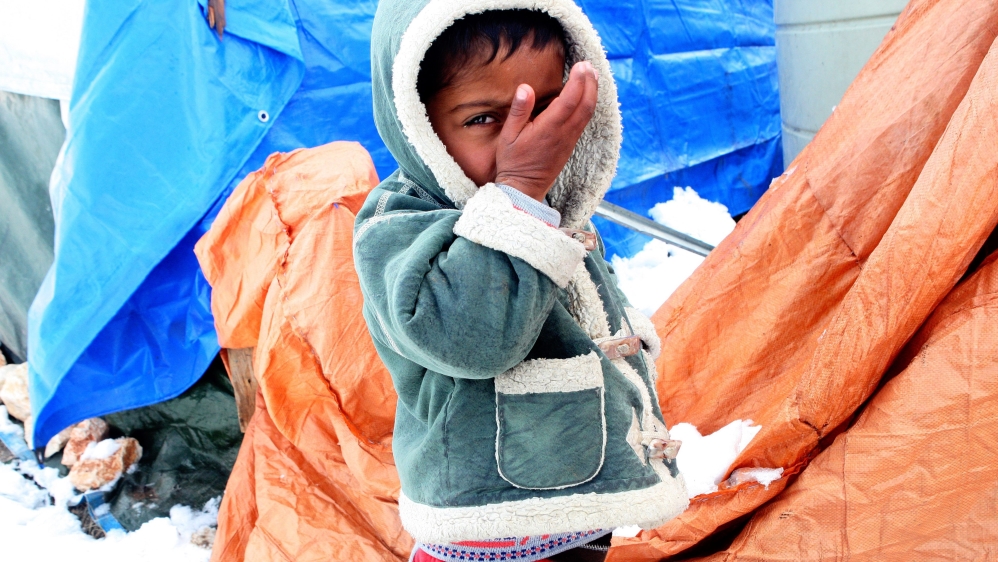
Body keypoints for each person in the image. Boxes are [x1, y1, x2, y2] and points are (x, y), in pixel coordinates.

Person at [355, 2, 688, 560]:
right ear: (415, 124)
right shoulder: (400, 224)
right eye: (486, 118)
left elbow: (589, 303)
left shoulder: (548, 206)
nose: (525, 142)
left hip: (574, 499)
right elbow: (468, 338)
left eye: (548, 110)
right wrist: (521, 188)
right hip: (484, 522)